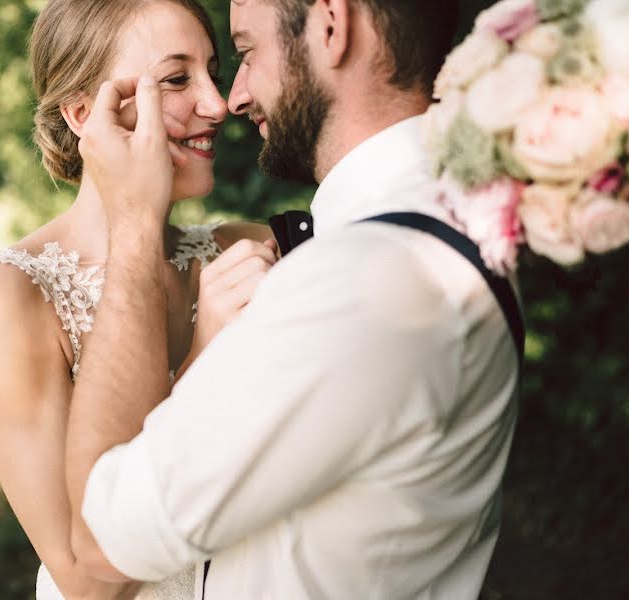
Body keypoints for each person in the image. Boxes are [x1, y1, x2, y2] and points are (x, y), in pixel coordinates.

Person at [62, 1, 520, 599]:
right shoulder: (455, 219)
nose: (234, 98)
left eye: (246, 53)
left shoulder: (362, 283)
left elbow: (103, 539)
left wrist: (133, 224)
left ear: (332, 26)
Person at [0, 1, 274, 599]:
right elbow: (90, 584)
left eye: (213, 72)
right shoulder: (5, 298)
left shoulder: (243, 249)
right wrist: (203, 361)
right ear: (83, 114)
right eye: (177, 79)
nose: (218, 104)